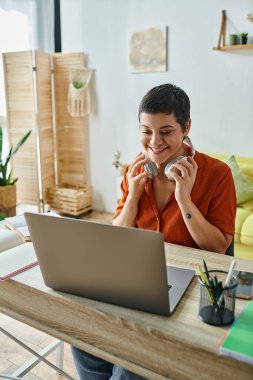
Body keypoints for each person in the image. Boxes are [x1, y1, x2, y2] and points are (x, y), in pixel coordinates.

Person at [71, 83, 236, 379]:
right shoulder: (133, 171)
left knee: (128, 369)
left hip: (189, 293)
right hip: (137, 282)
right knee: (83, 337)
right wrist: (132, 199)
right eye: (146, 130)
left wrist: (185, 199)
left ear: (186, 127)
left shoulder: (218, 174)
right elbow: (115, 239)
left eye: (166, 131)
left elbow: (218, 249)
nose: (154, 142)